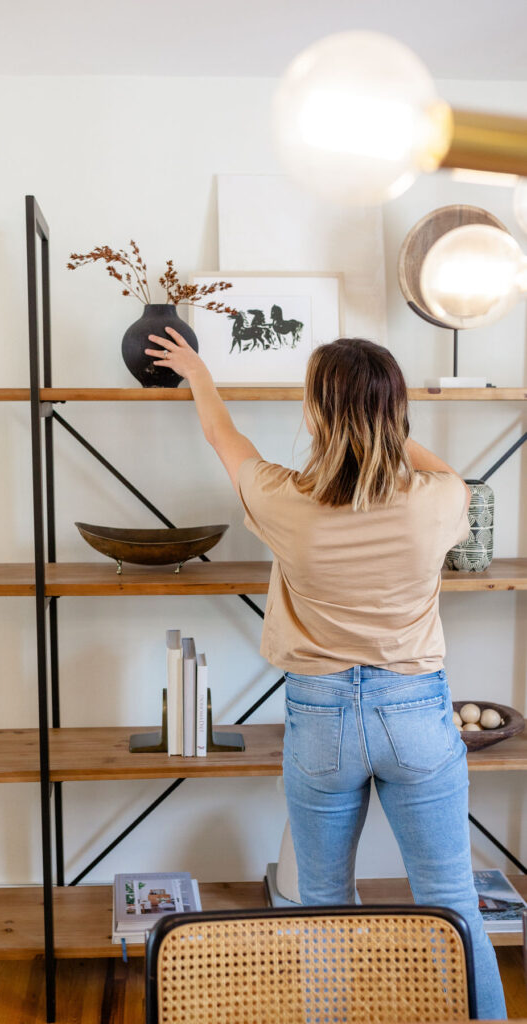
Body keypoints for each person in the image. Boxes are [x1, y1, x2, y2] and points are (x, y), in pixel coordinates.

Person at [145, 329, 507, 1020]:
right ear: (393, 410)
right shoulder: (436, 500)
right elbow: (451, 474)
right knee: (452, 901)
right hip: (414, 715)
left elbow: (225, 439)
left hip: (320, 719)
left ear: (315, 413)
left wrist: (198, 374)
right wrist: (383, 429)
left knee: (322, 900)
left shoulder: (285, 501)